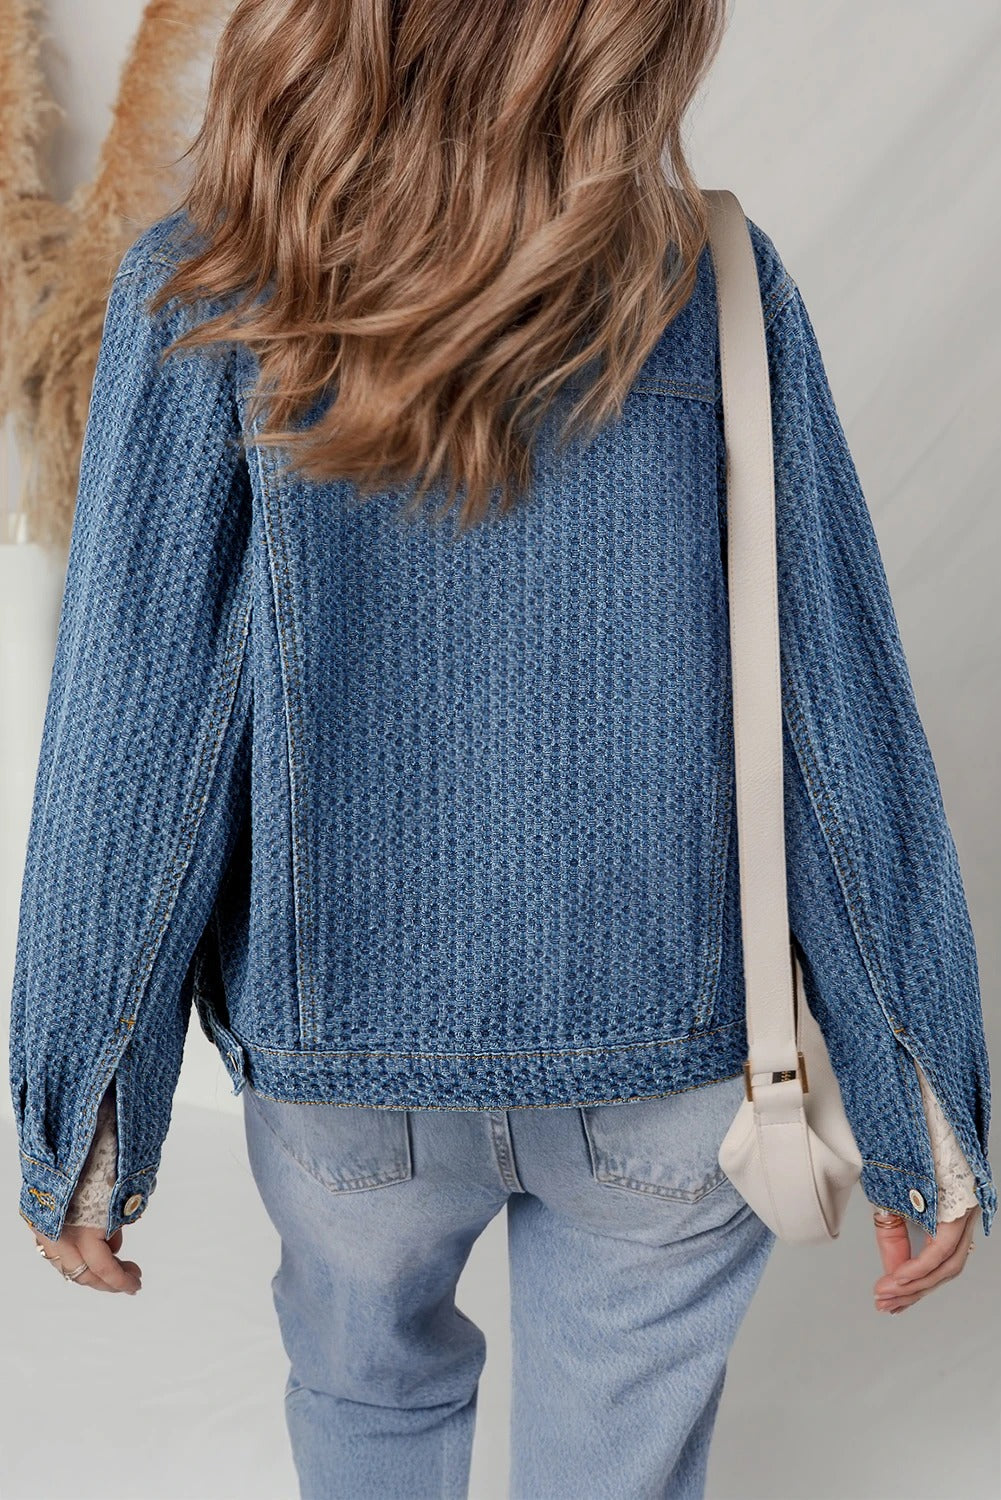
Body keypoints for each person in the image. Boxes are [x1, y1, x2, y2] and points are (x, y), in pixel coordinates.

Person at [10, 2, 993, 1496]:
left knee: (368, 1403)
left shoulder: (203, 288)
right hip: (667, 1053)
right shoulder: (709, 284)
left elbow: (135, 742)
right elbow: (833, 705)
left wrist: (82, 1109)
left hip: (342, 1067)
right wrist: (923, 1098)